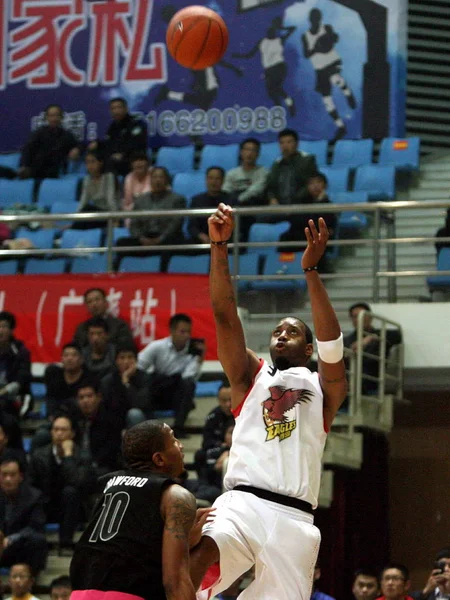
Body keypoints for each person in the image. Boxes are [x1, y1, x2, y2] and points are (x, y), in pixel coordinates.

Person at [189, 205, 347, 599]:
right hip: (241, 504)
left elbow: (333, 346)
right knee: (195, 573)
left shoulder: (323, 386)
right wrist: (219, 247)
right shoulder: (250, 375)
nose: (280, 334)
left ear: (307, 348)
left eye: (291, 331)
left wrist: (310, 272)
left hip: (295, 518)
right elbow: (225, 316)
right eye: (277, 330)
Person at [70, 420, 213, 600]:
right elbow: (174, 581)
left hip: (80, 593)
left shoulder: (107, 485)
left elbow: (122, 547)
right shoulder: (176, 495)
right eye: (174, 440)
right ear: (159, 459)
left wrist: (185, 541)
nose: (181, 445)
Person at [138, 313, 205, 438]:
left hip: (175, 393)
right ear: (172, 331)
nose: (186, 336)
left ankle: (179, 427)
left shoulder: (193, 351)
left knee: (188, 384)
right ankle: (150, 426)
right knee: (146, 380)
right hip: (157, 390)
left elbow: (189, 377)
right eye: (182, 331)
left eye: (188, 332)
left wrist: (198, 360)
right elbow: (140, 365)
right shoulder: (157, 347)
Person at [28, 416, 84, 553]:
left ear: (72, 434)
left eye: (63, 430)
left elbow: (77, 482)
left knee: (70, 492)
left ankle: (65, 544)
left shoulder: (82, 455)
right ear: (51, 432)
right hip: (44, 505)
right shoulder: (38, 455)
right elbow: (30, 485)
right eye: (56, 429)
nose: (59, 433)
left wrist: (68, 456)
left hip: (71, 509)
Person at [301, 8, 356, 141]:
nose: (316, 20)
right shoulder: (305, 35)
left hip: (333, 62)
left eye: (318, 18)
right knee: (327, 101)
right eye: (314, 18)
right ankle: (340, 126)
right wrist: (316, 47)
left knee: (335, 79)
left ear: (320, 19)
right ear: (310, 20)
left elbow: (335, 38)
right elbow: (306, 54)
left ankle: (348, 93)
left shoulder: (326, 28)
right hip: (320, 69)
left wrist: (328, 40)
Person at [116, 167, 186, 269]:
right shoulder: (140, 200)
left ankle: (163, 277)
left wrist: (160, 239)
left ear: (167, 181)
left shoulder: (177, 199)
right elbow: (134, 224)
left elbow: (176, 223)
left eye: (161, 177)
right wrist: (141, 238)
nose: (157, 180)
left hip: (166, 238)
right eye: (154, 177)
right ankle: (116, 275)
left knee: (172, 243)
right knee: (121, 243)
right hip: (145, 238)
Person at [232, 17, 296, 116]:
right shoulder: (262, 42)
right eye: (269, 32)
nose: (270, 34)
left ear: (274, 33)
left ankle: (286, 105)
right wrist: (237, 55)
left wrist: (281, 27)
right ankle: (282, 107)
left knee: (275, 88)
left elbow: (293, 28)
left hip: (279, 67)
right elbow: (249, 55)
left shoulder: (279, 40)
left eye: (272, 32)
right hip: (269, 70)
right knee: (272, 91)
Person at [70, 380, 123, 486]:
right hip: (78, 466)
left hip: (102, 467)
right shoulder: (73, 418)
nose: (85, 401)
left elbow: (111, 451)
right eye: (81, 397)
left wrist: (93, 464)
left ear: (98, 397)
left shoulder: (110, 419)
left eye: (89, 396)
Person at [0, 457, 48, 574]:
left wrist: (10, 539)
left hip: (17, 548)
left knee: (38, 540)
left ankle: (30, 581)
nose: (8, 479)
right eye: (4, 475)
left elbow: (36, 527)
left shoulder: (34, 496)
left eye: (12, 475)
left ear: (20, 477)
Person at [343, 302, 402, 394]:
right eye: (355, 316)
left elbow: (397, 336)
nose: (359, 319)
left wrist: (371, 337)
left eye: (362, 316)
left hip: (370, 380)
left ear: (370, 317)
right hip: (350, 381)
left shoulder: (381, 335)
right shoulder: (346, 340)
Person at [279, 173, 337, 256]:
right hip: (301, 233)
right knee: (285, 237)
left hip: (316, 237)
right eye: (311, 183)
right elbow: (294, 219)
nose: (315, 186)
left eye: (318, 182)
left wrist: (320, 202)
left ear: (325, 185)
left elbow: (324, 225)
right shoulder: (302, 200)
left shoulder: (329, 205)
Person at [18, 104, 80, 179]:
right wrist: (24, 166)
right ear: (46, 117)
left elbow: (79, 145)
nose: (54, 119)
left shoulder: (67, 135)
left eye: (57, 115)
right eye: (51, 116)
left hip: (55, 171)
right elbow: (28, 149)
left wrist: (77, 149)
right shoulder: (39, 133)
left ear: (61, 117)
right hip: (37, 168)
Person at [90, 97, 147, 176]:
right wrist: (98, 144)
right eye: (113, 108)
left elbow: (137, 144)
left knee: (111, 164)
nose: (116, 111)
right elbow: (109, 144)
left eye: (118, 107)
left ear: (126, 109)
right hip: (115, 159)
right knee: (95, 161)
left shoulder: (136, 124)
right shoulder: (113, 127)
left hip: (131, 159)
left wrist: (123, 154)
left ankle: (112, 187)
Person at [266, 128, 318, 210]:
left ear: (297, 144)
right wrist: (272, 199)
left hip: (301, 205)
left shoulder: (307, 160)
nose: (285, 146)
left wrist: (295, 201)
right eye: (282, 143)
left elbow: (311, 184)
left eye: (289, 142)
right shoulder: (276, 164)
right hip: (279, 207)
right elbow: (270, 187)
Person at [100, 345, 150, 427]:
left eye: (130, 357)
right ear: (116, 361)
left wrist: (126, 382)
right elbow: (110, 405)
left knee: (134, 414)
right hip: (116, 418)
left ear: (136, 360)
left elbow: (140, 403)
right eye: (122, 358)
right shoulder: (108, 380)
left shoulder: (144, 377)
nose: (126, 361)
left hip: (141, 420)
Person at [193, 383, 234, 481]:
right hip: (219, 448)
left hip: (237, 449)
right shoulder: (213, 416)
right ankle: (204, 482)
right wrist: (222, 446)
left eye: (231, 399)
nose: (228, 404)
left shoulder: (244, 413)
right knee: (200, 455)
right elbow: (206, 442)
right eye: (224, 400)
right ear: (218, 401)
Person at [44, 343, 91, 419]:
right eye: (66, 355)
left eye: (74, 355)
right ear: (61, 359)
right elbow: (50, 400)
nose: (69, 358)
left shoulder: (89, 378)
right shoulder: (54, 375)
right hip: (57, 419)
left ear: (81, 359)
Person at [188, 167, 231, 245]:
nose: (213, 182)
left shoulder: (231, 200)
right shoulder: (196, 200)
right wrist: (201, 236)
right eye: (210, 178)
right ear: (206, 180)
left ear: (223, 181)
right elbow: (192, 226)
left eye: (217, 178)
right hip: (201, 241)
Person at [0, 311, 32, 416]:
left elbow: (21, 380)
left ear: (11, 330)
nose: (0, 330)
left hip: (15, 397)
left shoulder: (21, 352)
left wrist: (3, 391)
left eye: (4, 326)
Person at [77, 150, 119, 215]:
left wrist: (115, 217)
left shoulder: (109, 177)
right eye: (87, 162)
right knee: (85, 210)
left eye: (93, 162)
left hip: (109, 213)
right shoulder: (87, 180)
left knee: (88, 209)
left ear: (100, 162)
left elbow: (111, 200)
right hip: (97, 213)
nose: (90, 165)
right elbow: (83, 201)